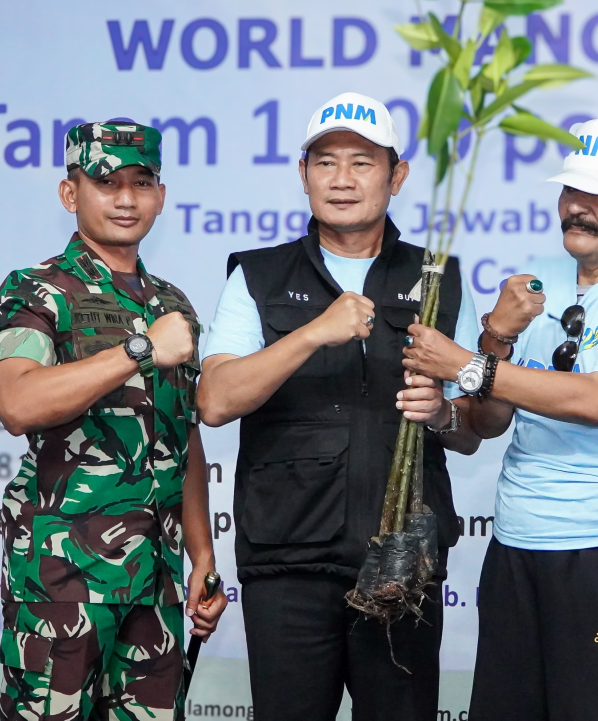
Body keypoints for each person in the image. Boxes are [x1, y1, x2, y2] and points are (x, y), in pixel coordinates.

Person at [401, 118, 598, 721]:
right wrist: (494, 336)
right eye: (571, 192)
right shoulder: (533, 279)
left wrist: (468, 362)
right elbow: (487, 423)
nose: (578, 208)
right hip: (516, 547)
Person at [196, 92, 481, 721]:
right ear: (303, 175)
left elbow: (471, 432)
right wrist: (311, 332)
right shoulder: (259, 275)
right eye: (325, 163)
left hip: (402, 558)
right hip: (289, 563)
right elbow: (214, 401)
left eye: (362, 162)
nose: (343, 180)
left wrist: (440, 412)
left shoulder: (437, 276)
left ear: (396, 175)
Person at [0, 121, 227, 721]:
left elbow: (184, 438)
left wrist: (201, 554)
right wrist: (138, 350)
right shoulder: (36, 292)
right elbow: (18, 404)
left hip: (160, 575)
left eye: (140, 183)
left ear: (161, 197)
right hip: (64, 576)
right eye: (106, 182)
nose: (125, 199)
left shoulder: (173, 304)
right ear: (71, 194)